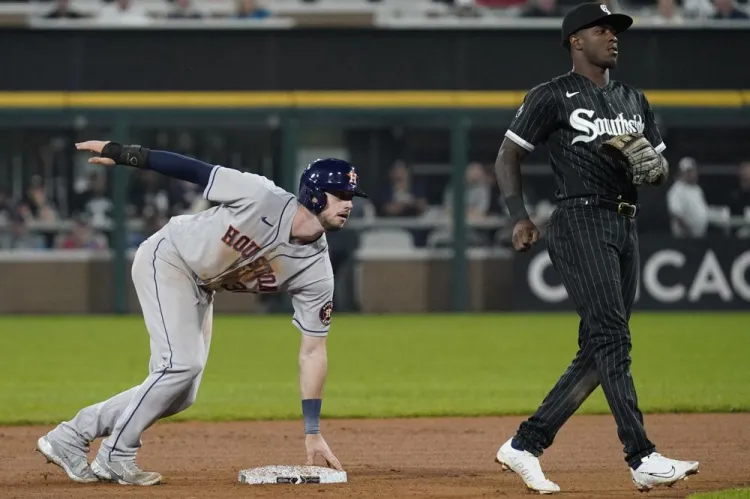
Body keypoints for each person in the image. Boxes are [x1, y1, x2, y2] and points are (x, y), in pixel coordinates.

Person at [36, 140, 363, 485]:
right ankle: (116, 454)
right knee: (180, 366)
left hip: (202, 286)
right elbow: (193, 170)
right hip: (169, 258)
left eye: (351, 196)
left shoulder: (316, 272)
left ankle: (70, 436)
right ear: (313, 194)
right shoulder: (260, 195)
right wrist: (124, 154)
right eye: (340, 194)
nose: (348, 204)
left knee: (181, 393)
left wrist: (312, 432)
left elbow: (313, 351)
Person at [492, 3, 699, 494]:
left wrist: (652, 167)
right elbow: (508, 155)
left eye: (616, 30)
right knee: (613, 336)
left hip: (625, 223)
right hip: (579, 217)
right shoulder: (551, 96)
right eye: (601, 29)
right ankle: (642, 456)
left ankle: (526, 444)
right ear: (574, 41)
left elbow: (659, 170)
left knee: (601, 345)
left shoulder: (634, 99)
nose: (612, 37)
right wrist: (518, 215)